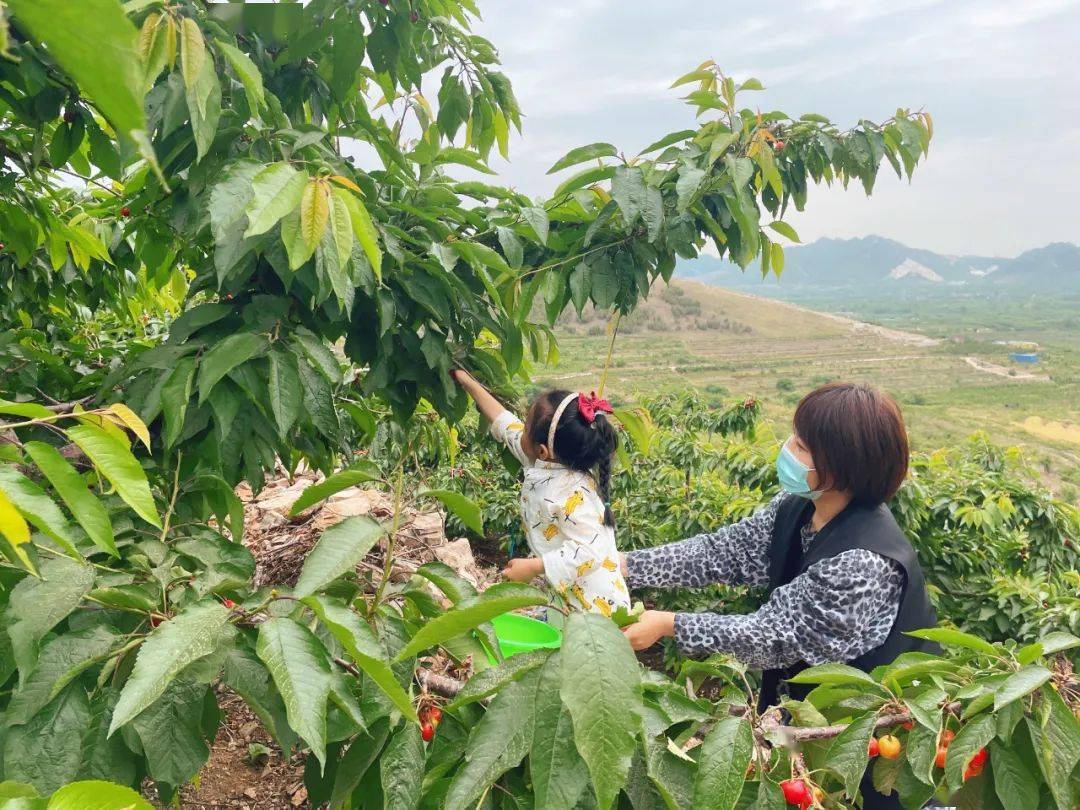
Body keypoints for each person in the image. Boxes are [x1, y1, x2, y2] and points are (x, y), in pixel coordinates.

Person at [619, 382, 938, 810]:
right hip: (807, 727)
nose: (787, 450)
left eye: (801, 446)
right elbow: (721, 553)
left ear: (841, 467)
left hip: (870, 740)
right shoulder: (798, 507)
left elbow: (776, 637)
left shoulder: (865, 561)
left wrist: (670, 625)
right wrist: (625, 565)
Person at [451, 370, 630, 616]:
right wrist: (467, 382)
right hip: (567, 598)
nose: (520, 431)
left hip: (597, 609)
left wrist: (535, 566)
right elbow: (504, 422)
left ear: (543, 450)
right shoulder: (545, 459)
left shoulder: (573, 495)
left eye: (525, 428)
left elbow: (590, 551)